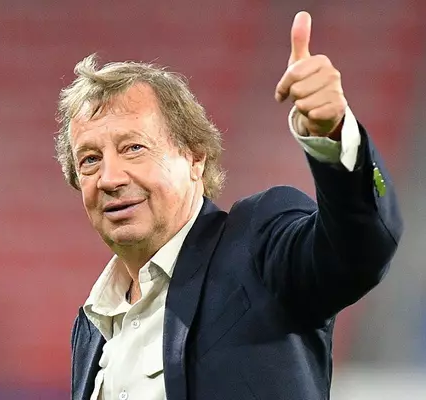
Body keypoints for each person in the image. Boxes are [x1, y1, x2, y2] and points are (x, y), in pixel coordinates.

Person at [56, 11, 403, 400]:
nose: (109, 178)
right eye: (90, 159)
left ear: (195, 157)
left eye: (133, 148)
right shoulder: (91, 329)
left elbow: (358, 251)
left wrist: (334, 135)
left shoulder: (256, 245)